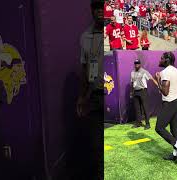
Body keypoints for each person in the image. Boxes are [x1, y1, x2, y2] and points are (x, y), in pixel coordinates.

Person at [76, 0, 103, 179]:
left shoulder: (115, 31)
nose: (101, 11)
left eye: (103, 7)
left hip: (111, 94)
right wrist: (82, 96)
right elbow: (86, 69)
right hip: (95, 95)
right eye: (97, 8)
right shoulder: (86, 37)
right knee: (95, 146)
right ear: (92, 11)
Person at [155, 51, 177, 164]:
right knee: (174, 128)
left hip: (170, 102)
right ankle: (175, 154)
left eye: (161, 58)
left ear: (166, 60)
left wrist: (158, 80)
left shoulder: (165, 72)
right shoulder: (176, 71)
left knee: (159, 127)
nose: (160, 60)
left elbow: (165, 92)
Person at [130, 59, 158, 129]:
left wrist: (159, 86)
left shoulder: (144, 71)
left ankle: (147, 124)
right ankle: (138, 123)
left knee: (145, 108)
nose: (136, 65)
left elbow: (152, 79)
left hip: (143, 91)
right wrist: (131, 91)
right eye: (135, 63)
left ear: (140, 64)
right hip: (136, 91)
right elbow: (132, 82)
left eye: (138, 63)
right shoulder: (132, 72)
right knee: (137, 108)